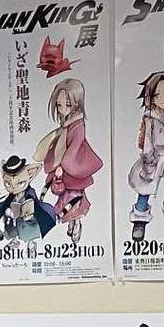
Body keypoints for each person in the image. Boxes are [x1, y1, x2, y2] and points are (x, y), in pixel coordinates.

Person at [32, 77, 101, 240]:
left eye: (68, 105)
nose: (63, 109)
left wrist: (62, 166)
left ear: (77, 104)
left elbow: (74, 147)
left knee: (73, 198)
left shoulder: (78, 126)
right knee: (67, 198)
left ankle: (75, 223)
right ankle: (73, 222)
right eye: (59, 105)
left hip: (73, 167)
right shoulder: (66, 125)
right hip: (66, 168)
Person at [126, 69, 164, 241]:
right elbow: (145, 140)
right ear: (150, 96)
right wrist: (148, 158)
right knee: (145, 188)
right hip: (153, 158)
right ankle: (139, 220)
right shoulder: (149, 118)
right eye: (158, 94)